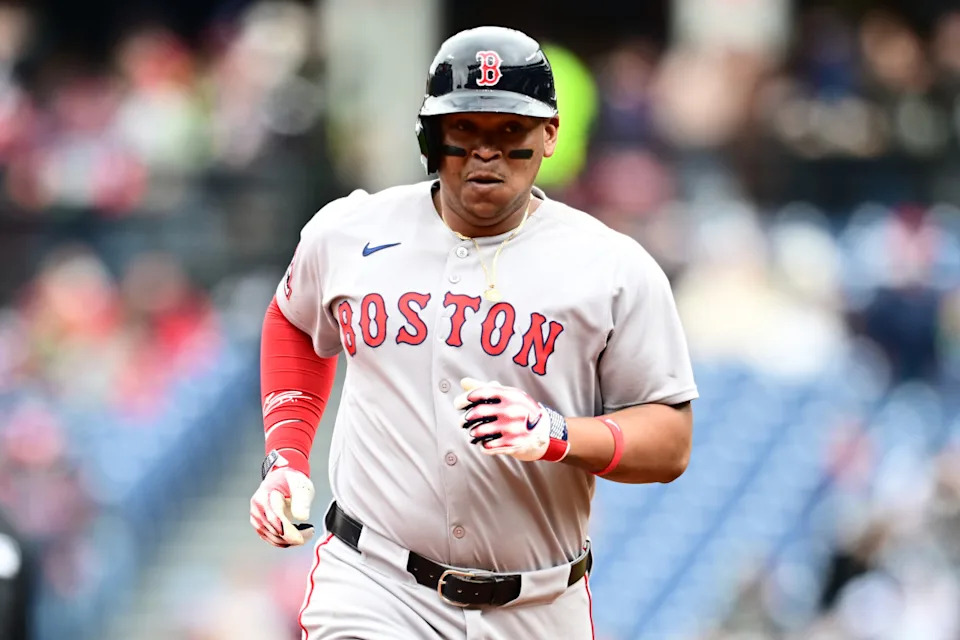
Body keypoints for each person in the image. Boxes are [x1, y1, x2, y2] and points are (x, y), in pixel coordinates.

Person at [250, 26, 698, 640]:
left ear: (549, 135)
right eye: (465, 131)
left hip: (537, 604)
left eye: (509, 131)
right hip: (376, 584)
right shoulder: (349, 233)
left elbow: (670, 441)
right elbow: (293, 322)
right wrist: (287, 457)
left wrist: (559, 434)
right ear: (429, 137)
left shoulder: (612, 268)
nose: (485, 152)